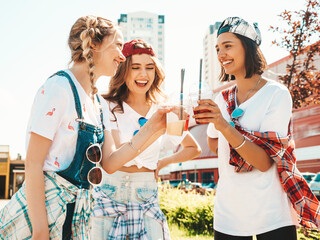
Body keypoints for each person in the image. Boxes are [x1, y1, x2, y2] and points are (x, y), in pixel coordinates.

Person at [0, 16, 170, 240]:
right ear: (94, 45)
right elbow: (33, 163)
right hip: (43, 214)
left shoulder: (96, 102)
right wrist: (40, 231)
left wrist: (151, 128)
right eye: (117, 45)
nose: (122, 55)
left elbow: (109, 163)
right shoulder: (59, 88)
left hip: (76, 216)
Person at [193, 17, 320, 240]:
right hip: (228, 215)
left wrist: (225, 126)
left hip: (271, 216)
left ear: (248, 47)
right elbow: (215, 143)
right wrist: (234, 148)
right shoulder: (221, 99)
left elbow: (263, 162)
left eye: (228, 46)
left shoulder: (276, 95)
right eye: (218, 48)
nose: (221, 54)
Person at [90, 39, 201, 239]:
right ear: (123, 71)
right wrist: (152, 129)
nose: (144, 74)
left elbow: (193, 148)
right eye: (136, 67)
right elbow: (112, 161)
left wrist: (163, 162)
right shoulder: (108, 106)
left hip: (146, 191)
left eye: (150, 68)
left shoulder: (163, 109)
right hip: (110, 190)